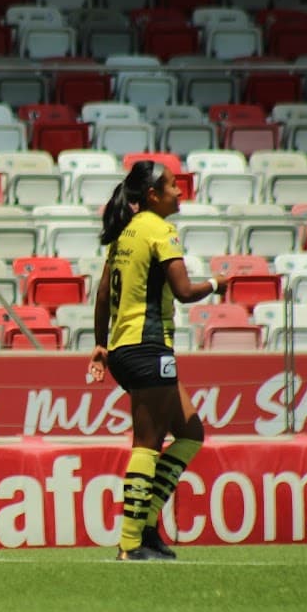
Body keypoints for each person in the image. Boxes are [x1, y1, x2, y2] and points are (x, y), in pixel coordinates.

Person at [87, 160, 227, 561]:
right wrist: (219, 283)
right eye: (172, 185)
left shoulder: (123, 233)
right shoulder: (159, 230)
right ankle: (131, 543)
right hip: (149, 347)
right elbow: (183, 291)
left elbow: (100, 294)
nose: (179, 191)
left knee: (190, 433)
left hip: (125, 349)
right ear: (152, 195)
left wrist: (101, 344)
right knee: (146, 444)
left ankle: (146, 527)